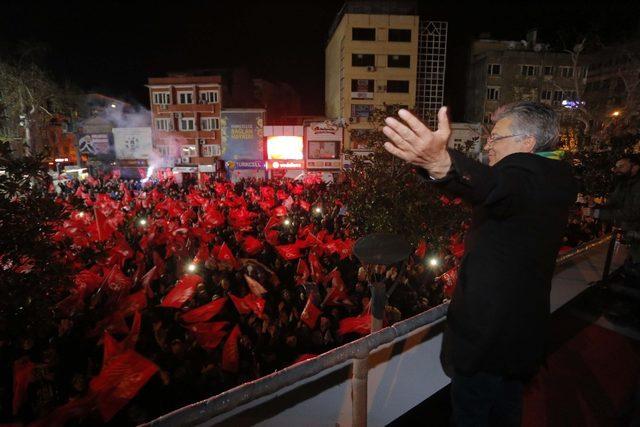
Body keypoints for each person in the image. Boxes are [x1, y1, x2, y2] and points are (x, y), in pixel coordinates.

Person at [382, 101, 577, 426]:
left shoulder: (525, 175)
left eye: (496, 137)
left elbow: (495, 186)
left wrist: (444, 166)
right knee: (506, 410)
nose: (487, 144)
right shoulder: (555, 176)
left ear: (527, 143)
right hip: (519, 331)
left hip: (489, 336)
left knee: (472, 414)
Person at [590, 155, 640, 284]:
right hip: (631, 233)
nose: (616, 170)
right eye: (616, 166)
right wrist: (597, 207)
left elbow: (632, 212)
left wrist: (599, 214)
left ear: (635, 167)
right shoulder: (624, 183)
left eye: (621, 166)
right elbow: (614, 200)